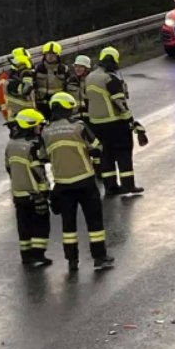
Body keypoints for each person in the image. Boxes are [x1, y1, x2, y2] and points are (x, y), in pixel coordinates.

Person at [42, 92, 114, 271]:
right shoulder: (79, 127)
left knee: (68, 225)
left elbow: (42, 156)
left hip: (62, 184)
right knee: (94, 221)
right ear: (68, 108)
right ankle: (99, 257)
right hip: (84, 181)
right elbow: (97, 148)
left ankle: (72, 261)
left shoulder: (45, 131)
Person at [85, 47, 146, 195]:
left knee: (106, 156)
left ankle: (110, 187)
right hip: (115, 123)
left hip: (96, 124)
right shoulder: (111, 79)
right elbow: (120, 103)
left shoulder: (90, 77)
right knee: (123, 153)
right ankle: (128, 185)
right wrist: (130, 122)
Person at [5, 109, 53, 267]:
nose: (39, 130)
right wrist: (44, 191)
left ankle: (26, 255)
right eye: (38, 127)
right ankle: (38, 254)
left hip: (18, 193)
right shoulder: (32, 146)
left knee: (23, 225)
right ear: (30, 126)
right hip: (34, 193)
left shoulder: (11, 145)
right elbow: (38, 171)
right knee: (40, 224)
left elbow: (9, 168)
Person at [34, 41, 70, 112]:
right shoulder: (38, 69)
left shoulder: (64, 69)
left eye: (53, 54)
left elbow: (68, 88)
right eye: (48, 54)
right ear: (44, 55)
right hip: (41, 105)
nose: (50, 56)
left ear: (58, 56)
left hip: (58, 104)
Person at [3, 47, 37, 121]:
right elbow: (25, 90)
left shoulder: (26, 76)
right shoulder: (10, 82)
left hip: (30, 116)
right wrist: (28, 79)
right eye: (22, 65)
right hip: (18, 120)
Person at [65, 55, 92, 119]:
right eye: (76, 66)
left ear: (87, 68)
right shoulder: (70, 81)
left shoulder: (92, 81)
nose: (77, 69)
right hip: (74, 116)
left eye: (81, 67)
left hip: (90, 116)